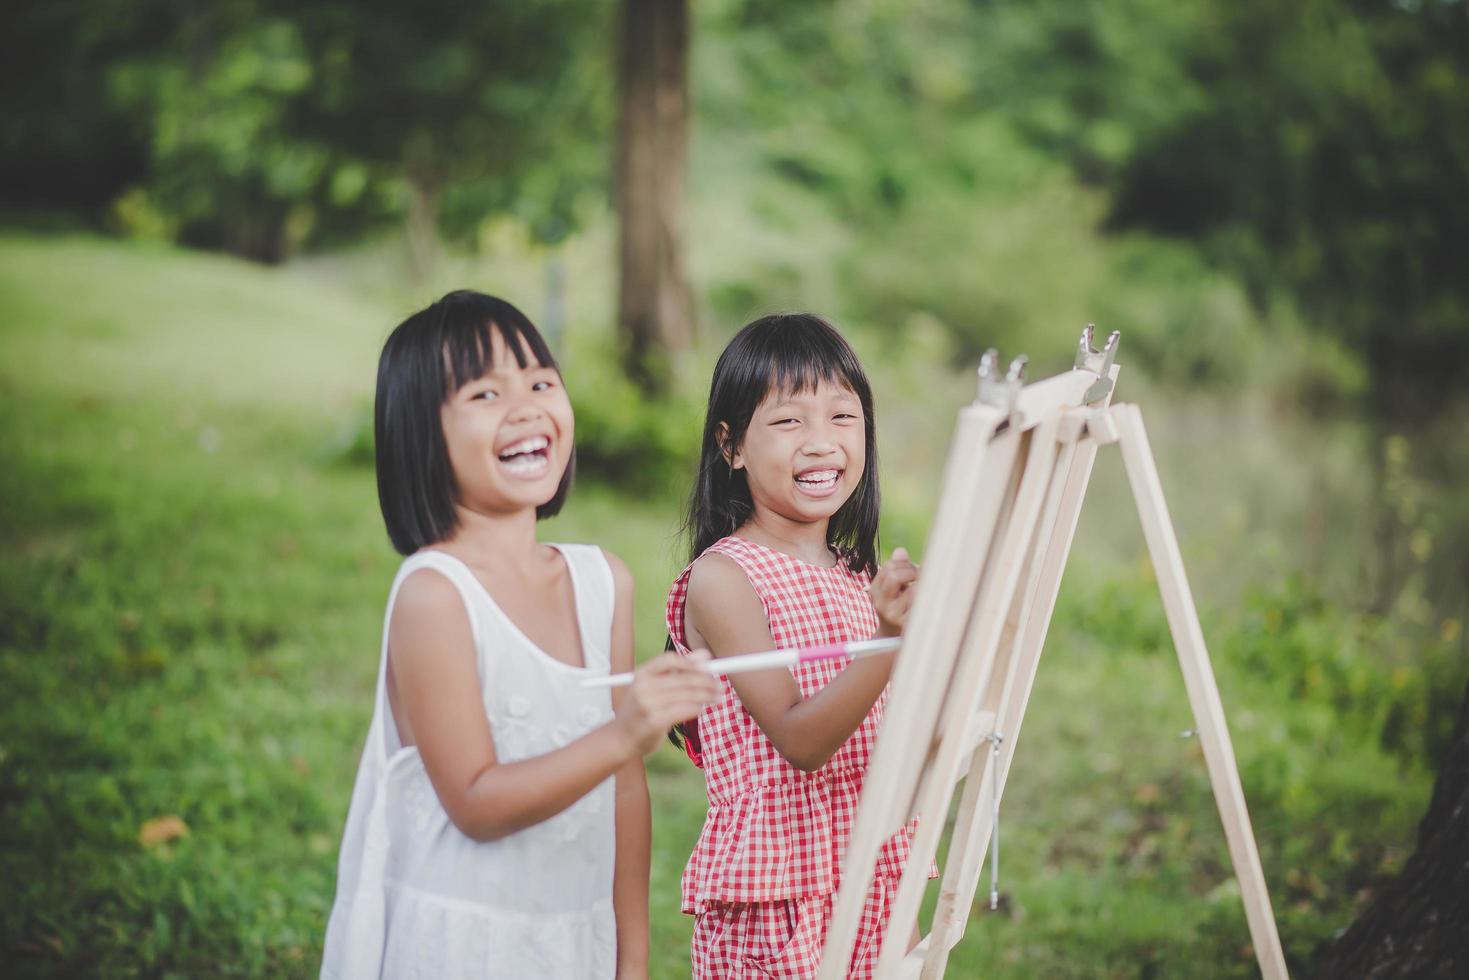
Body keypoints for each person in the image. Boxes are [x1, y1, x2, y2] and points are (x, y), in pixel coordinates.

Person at [321, 290, 720, 979]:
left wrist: (630, 957)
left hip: (575, 939)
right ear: (421, 432)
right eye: (484, 393)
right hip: (459, 948)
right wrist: (624, 733)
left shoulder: (604, 583)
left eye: (541, 382)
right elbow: (475, 802)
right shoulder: (434, 596)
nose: (528, 406)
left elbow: (625, 789)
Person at [666, 313, 926, 978]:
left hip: (866, 876)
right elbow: (800, 740)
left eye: (842, 417)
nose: (821, 443)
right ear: (731, 445)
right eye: (788, 421)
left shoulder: (855, 575)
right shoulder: (723, 579)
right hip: (776, 900)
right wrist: (889, 640)